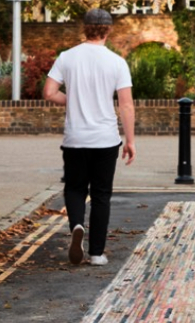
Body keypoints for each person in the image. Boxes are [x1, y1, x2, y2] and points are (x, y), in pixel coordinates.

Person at [43, 8, 135, 266]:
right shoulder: (117, 62)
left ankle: (76, 226)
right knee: (102, 194)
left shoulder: (67, 57)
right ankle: (96, 253)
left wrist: (72, 100)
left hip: (75, 138)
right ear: (108, 30)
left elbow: (49, 92)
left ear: (85, 28)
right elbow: (126, 105)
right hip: (105, 139)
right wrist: (130, 141)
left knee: (74, 188)